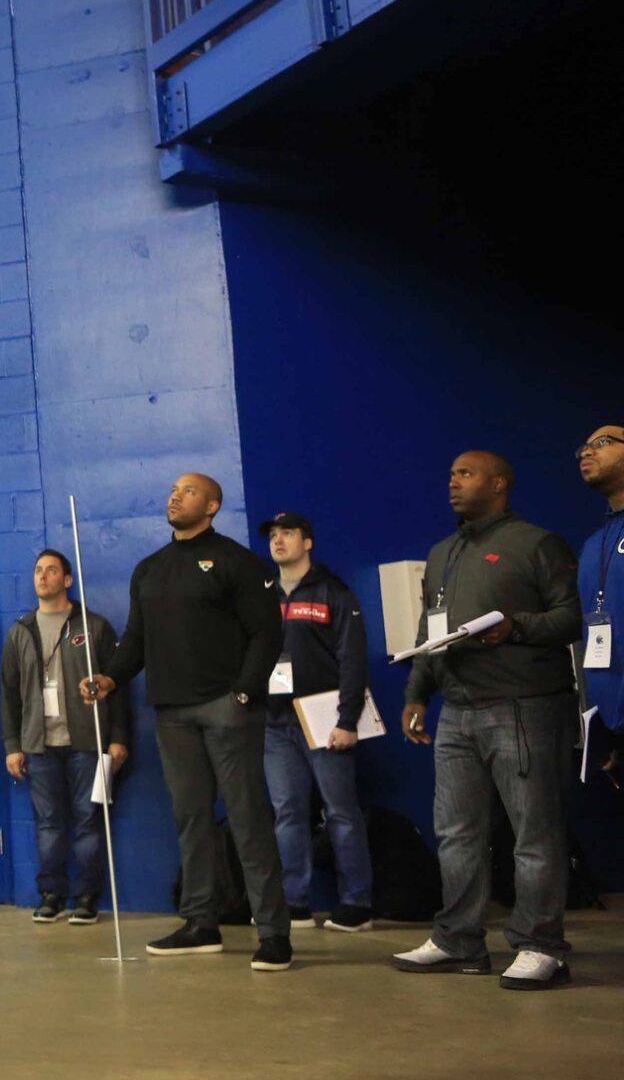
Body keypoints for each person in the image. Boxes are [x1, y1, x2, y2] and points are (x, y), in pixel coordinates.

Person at [84, 472, 291, 971]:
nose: (176, 496)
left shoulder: (237, 562)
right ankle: (201, 923)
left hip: (227, 706)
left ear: (213, 505)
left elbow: (266, 633)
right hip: (171, 713)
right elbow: (135, 639)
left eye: (190, 491)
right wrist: (110, 678)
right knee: (191, 819)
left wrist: (243, 692)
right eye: (174, 490)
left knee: (247, 818)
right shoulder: (149, 569)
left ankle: (273, 934)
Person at [393, 451, 581, 991]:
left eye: (466, 473)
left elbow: (570, 616)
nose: (453, 481)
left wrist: (513, 628)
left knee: (534, 835)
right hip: (456, 711)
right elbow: (432, 629)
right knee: (456, 832)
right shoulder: (442, 552)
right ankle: (458, 941)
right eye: (450, 473)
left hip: (523, 705)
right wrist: (416, 692)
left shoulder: (536, 543)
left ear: (500, 483)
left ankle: (540, 945)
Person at [259, 512, 375, 932]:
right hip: (274, 722)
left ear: (307, 542)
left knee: (341, 812)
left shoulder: (334, 591)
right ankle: (295, 903)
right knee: (287, 813)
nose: (278, 541)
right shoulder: (261, 593)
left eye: (287, 533)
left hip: (325, 720)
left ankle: (356, 904)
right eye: (273, 535)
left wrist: (348, 720)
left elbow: (352, 659)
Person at [0, 551, 129, 924]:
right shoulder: (20, 631)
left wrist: (118, 738)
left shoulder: (94, 627)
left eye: (51, 570)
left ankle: (86, 897)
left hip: (88, 743)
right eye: (38, 570)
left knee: (89, 821)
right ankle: (51, 894)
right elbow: (9, 696)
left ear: (67, 580)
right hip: (39, 747)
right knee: (48, 825)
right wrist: (13, 745)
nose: (42, 576)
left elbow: (117, 687)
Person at [575, 425, 624, 771]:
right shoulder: (594, 543)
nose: (586, 452)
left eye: (603, 443)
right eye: (585, 447)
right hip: (613, 724)